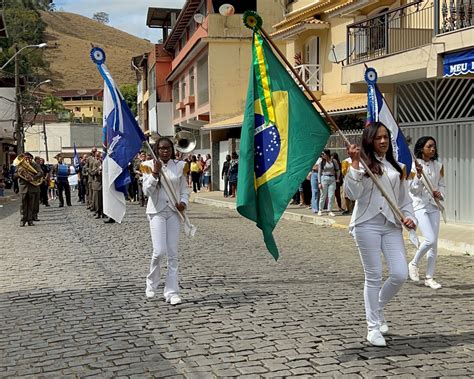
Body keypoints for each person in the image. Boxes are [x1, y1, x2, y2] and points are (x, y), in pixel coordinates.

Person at [344, 122, 417, 347]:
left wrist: (409, 217)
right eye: (378, 138)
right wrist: (356, 162)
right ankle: (373, 328)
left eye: (385, 137)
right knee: (373, 275)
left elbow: (404, 200)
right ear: (370, 140)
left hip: (391, 225)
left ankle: (377, 307)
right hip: (366, 224)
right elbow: (352, 194)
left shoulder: (397, 167)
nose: (383, 141)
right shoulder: (355, 163)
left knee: (400, 274)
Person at [142, 137, 189, 305]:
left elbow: (184, 189)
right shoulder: (148, 165)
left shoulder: (180, 166)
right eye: (161, 148)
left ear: (172, 149)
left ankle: (172, 292)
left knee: (173, 254)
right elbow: (146, 191)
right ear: (156, 150)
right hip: (156, 212)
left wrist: (184, 202)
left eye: (168, 148)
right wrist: (155, 173)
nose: (165, 151)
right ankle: (151, 283)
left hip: (174, 212)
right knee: (159, 251)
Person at [408, 136, 445, 290]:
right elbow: (412, 189)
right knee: (429, 239)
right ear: (421, 148)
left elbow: (442, 185)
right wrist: (417, 175)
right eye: (429, 146)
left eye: (434, 146)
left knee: (434, 244)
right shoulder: (415, 165)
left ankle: (429, 277)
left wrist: (440, 194)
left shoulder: (439, 165)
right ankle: (414, 263)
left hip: (434, 206)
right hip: (419, 205)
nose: (432, 149)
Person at [16, 153, 43, 226]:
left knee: (31, 205)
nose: (27, 159)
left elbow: (41, 173)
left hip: (32, 188)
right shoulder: (20, 166)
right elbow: (15, 175)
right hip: (23, 187)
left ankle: (30, 220)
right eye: (25, 158)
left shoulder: (35, 165)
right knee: (22, 205)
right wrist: (20, 173)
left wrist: (33, 178)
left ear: (31, 158)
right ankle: (22, 220)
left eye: (28, 158)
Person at [318, 149, 339, 216]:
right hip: (324, 178)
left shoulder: (333, 161)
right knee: (323, 195)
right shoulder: (321, 162)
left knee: (331, 195)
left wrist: (338, 178)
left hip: (332, 178)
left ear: (327, 154)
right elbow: (319, 173)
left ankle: (330, 210)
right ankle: (320, 209)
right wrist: (319, 182)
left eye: (323, 154)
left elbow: (338, 170)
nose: (322, 156)